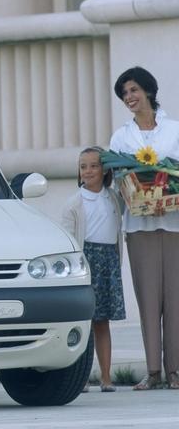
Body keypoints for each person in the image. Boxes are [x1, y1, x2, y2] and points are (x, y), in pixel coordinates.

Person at [110, 66, 179, 390]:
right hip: (139, 226)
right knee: (148, 299)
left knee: (175, 299)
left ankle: (175, 370)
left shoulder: (174, 130)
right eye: (125, 93)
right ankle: (153, 371)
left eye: (134, 90)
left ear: (148, 90)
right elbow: (118, 180)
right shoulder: (121, 137)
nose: (129, 97)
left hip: (174, 223)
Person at [61, 146, 125, 392]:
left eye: (94, 166)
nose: (88, 171)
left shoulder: (114, 198)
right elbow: (68, 239)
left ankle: (106, 378)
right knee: (84, 322)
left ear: (105, 170)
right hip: (86, 261)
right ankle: (82, 378)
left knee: (102, 322)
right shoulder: (74, 203)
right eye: (83, 167)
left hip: (108, 262)